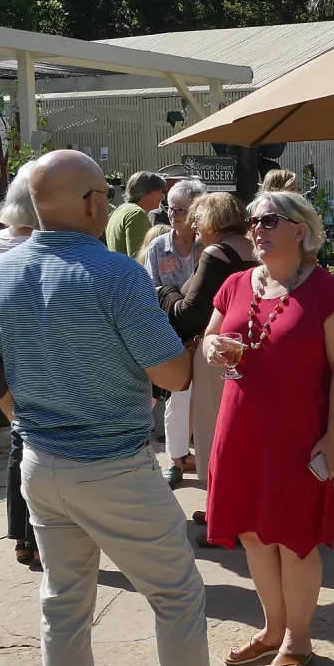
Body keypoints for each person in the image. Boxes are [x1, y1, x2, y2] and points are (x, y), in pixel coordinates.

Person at [0, 149, 284, 666]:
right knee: (178, 598)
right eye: (102, 194)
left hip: (41, 466)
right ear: (87, 203)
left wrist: (25, 420)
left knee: (63, 610)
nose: (107, 203)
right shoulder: (113, 273)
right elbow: (168, 374)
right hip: (113, 467)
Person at [202, 189, 334, 666]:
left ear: (300, 228)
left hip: (297, 436)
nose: (257, 229)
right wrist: (211, 347)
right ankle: (272, 629)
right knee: (251, 533)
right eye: (252, 221)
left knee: (293, 540)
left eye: (270, 220)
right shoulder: (234, 284)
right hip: (240, 428)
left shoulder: (329, 293)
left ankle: (298, 638)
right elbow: (210, 335)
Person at [159, 191, 257, 520]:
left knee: (216, 432)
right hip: (251, 350)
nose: (194, 225)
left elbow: (188, 313)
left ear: (214, 221)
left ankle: (222, 514)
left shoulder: (216, 254)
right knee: (243, 435)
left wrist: (165, 291)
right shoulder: (256, 251)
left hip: (218, 353)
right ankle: (240, 508)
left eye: (198, 218)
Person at [0, 162, 40, 566]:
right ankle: (34, 534)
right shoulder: (39, 244)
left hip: (4, 353)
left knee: (21, 442)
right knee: (35, 444)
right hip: (35, 354)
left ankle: (21, 534)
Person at [143, 180, 204, 487]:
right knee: (177, 397)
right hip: (171, 332)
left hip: (205, 333)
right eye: (170, 207)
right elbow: (149, 288)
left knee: (206, 397)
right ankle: (176, 459)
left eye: (181, 209)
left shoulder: (207, 247)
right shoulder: (157, 247)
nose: (173, 214)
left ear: (196, 213)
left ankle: (207, 458)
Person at [106, 170, 166, 258]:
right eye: (159, 191)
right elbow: (138, 258)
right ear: (146, 192)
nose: (162, 196)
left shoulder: (119, 210)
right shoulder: (136, 214)